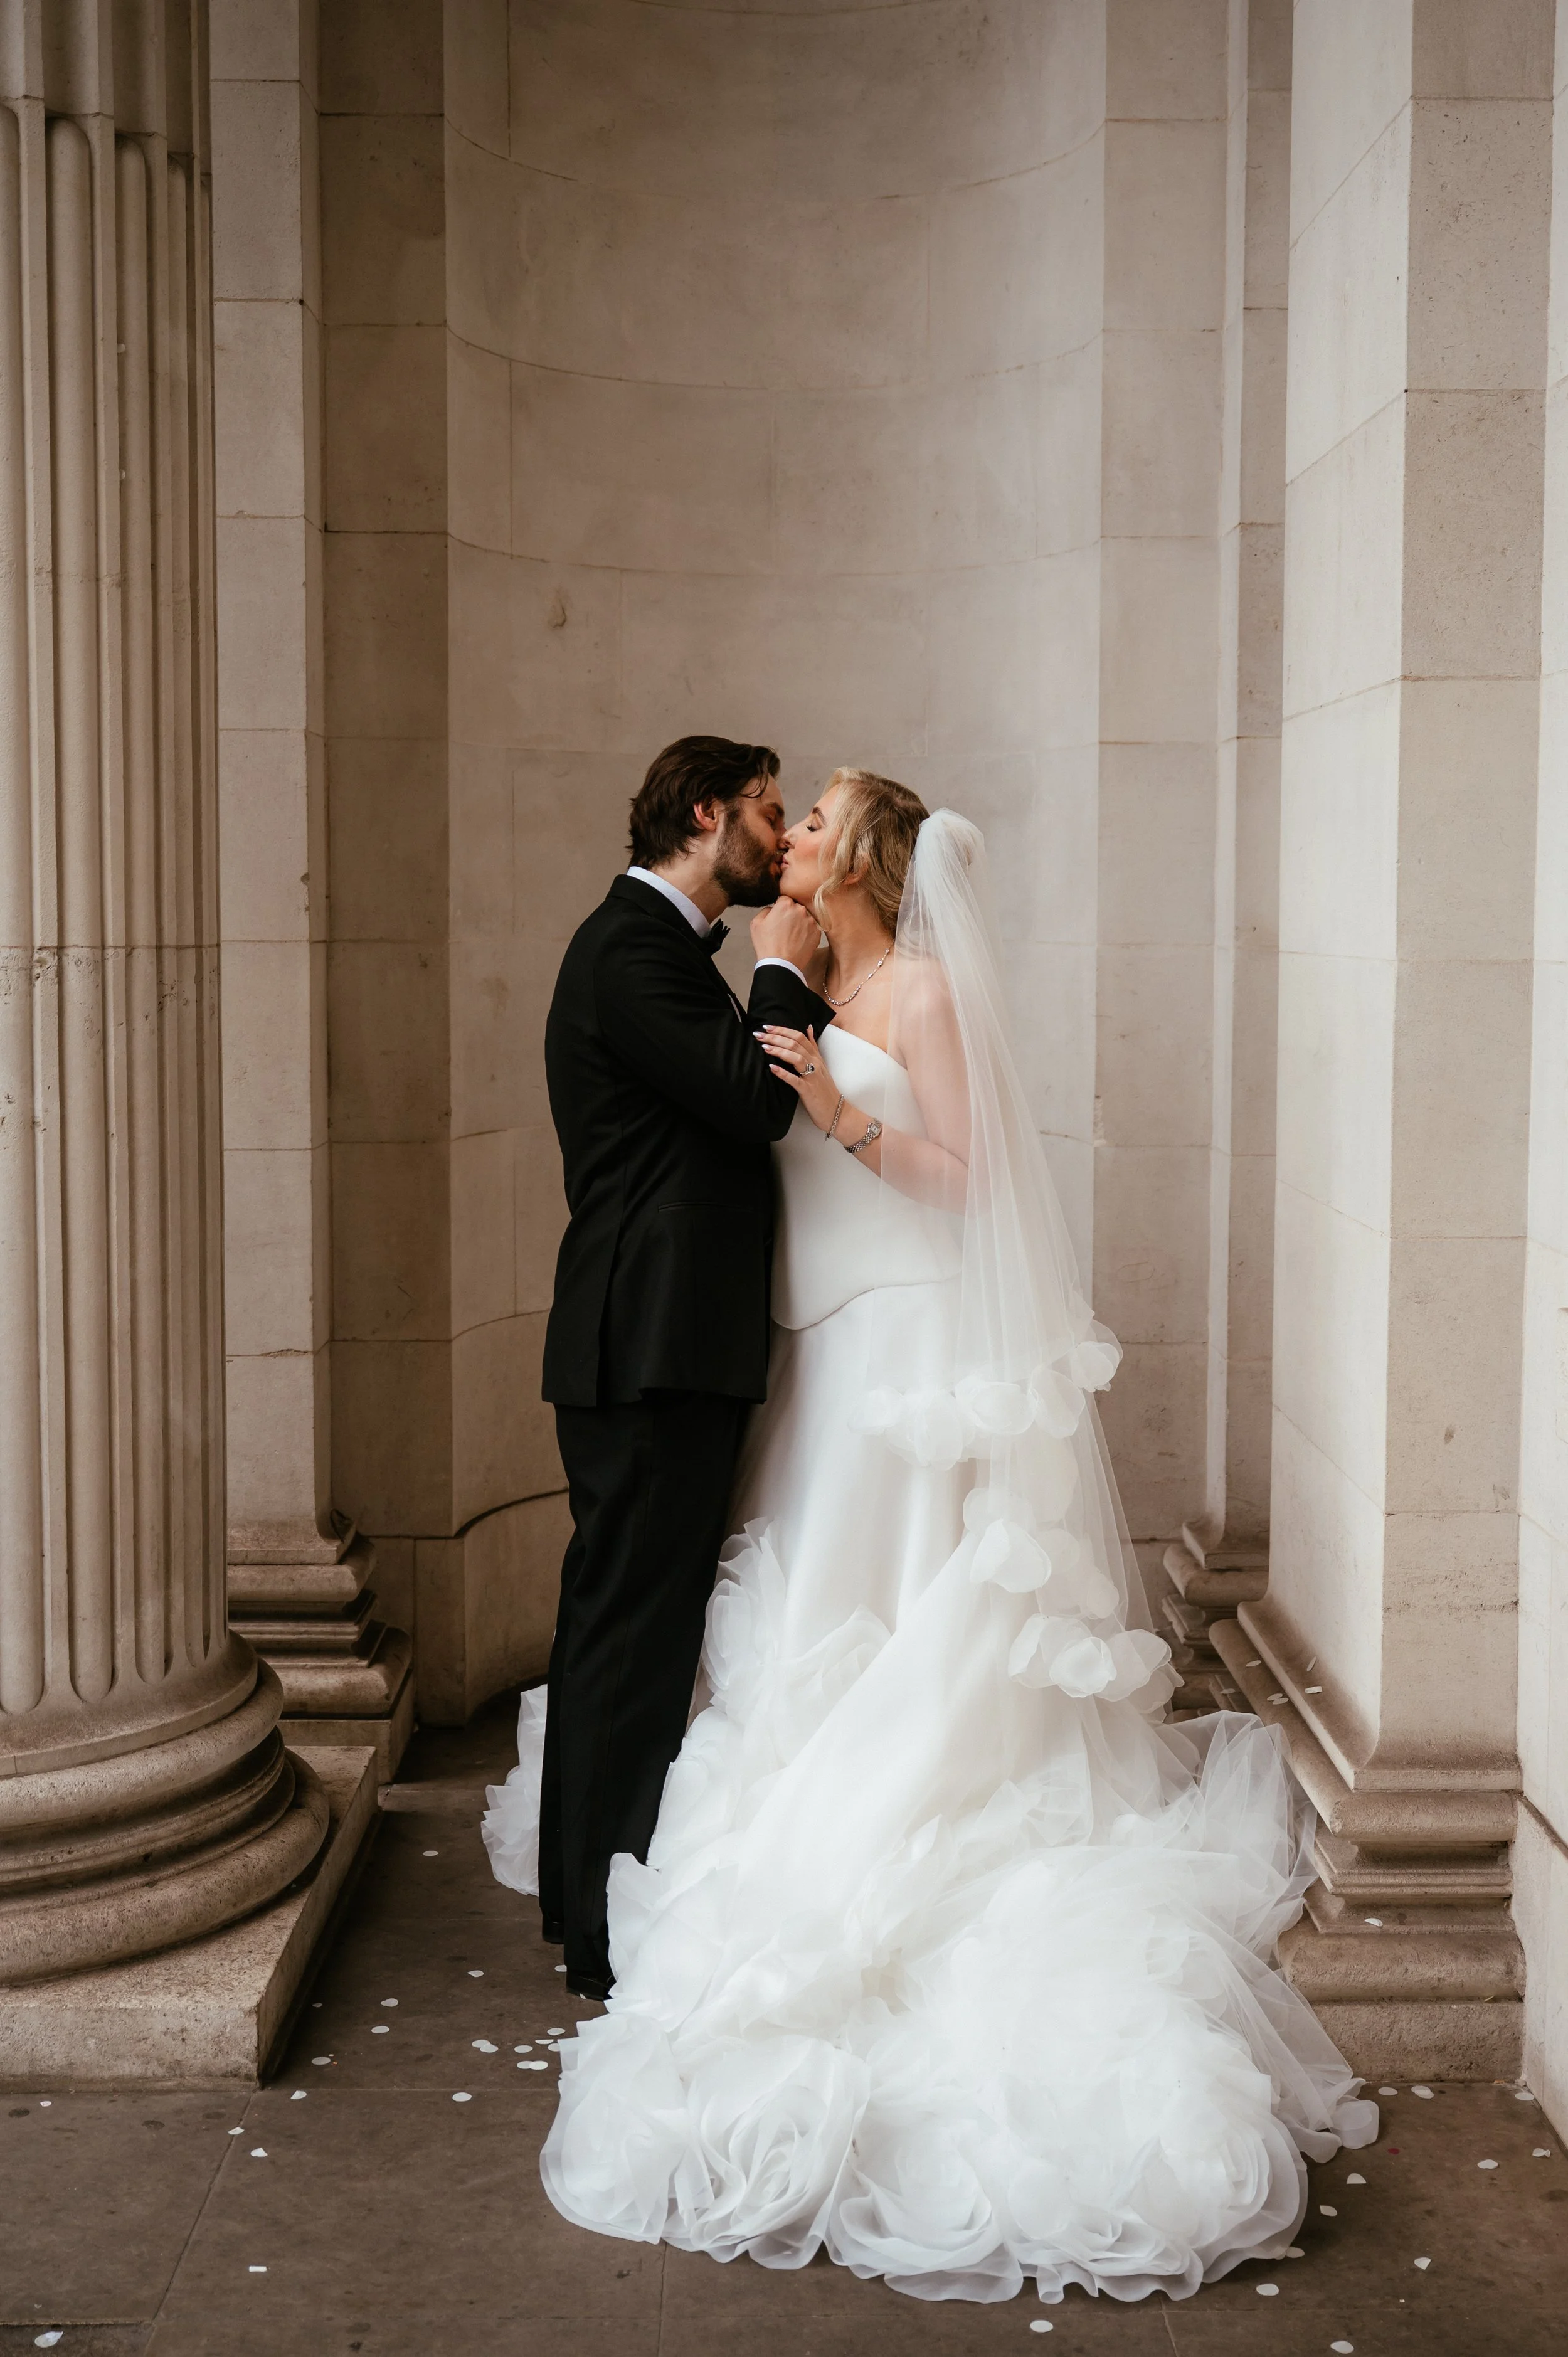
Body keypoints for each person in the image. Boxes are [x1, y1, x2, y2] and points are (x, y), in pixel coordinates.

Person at [490, 771, 1378, 2303]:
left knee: (902, 1614)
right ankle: (642, 1869)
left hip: (901, 1354)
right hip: (808, 1361)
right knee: (774, 1619)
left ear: (872, 850)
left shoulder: (924, 986)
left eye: (820, 813)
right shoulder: (798, 973)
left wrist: (836, 1110)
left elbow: (965, 1187)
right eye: (785, 811)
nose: (798, 832)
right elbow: (720, 1110)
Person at [498, 736, 832, 2001]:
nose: (778, 833)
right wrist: (785, 967)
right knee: (627, 1639)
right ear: (704, 815)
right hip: (646, 1351)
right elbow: (754, 1101)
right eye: (764, 812)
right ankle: (598, 1928)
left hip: (659, 1348)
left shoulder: (646, 950)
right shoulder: (633, 949)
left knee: (625, 1634)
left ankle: (588, 1903)